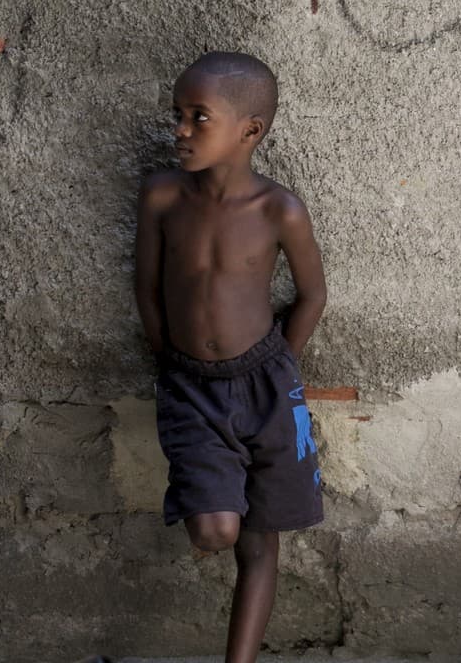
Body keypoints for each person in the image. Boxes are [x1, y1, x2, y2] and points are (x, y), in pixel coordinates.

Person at [134, 52, 329, 663]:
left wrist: (281, 364)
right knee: (215, 528)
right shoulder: (163, 196)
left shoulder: (279, 210)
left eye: (199, 118)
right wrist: (168, 356)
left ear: (250, 131)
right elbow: (145, 285)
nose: (180, 131)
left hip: (267, 381)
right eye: (178, 115)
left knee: (259, 538)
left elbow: (312, 293)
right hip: (191, 385)